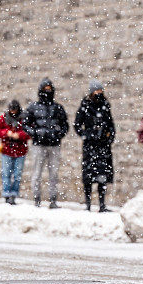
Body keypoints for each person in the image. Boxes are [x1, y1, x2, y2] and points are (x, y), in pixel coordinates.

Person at [23, 78, 69, 208]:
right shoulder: (33, 107)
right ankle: (37, 199)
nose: (47, 92)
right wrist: (36, 133)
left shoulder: (58, 108)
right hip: (39, 145)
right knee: (37, 173)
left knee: (53, 174)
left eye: (49, 89)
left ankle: (53, 200)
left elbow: (65, 125)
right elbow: (25, 124)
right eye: (45, 89)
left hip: (54, 145)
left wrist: (58, 134)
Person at [74, 80, 115, 212]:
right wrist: (87, 135)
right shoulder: (85, 106)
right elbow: (77, 124)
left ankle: (102, 204)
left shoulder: (105, 105)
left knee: (102, 175)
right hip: (90, 146)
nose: (98, 94)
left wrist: (110, 137)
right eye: (96, 92)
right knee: (89, 175)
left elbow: (110, 124)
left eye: (100, 91)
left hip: (103, 145)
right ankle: (88, 204)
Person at [0, 100, 30, 204]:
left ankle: (14, 194)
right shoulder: (3, 118)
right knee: (6, 173)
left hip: (20, 150)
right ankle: (6, 194)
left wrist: (19, 135)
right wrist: (6, 133)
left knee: (17, 175)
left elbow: (29, 132)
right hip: (7, 150)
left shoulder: (24, 118)